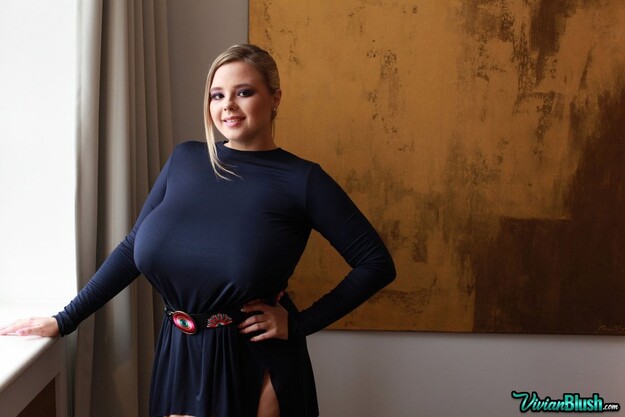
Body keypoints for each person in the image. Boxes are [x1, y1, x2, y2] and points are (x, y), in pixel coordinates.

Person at [0, 44, 395, 417]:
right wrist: (65, 320)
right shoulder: (185, 160)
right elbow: (133, 248)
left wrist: (300, 323)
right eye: (217, 95)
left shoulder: (302, 180)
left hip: (256, 360)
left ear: (275, 98)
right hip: (179, 352)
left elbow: (376, 263)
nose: (228, 106)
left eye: (243, 92)